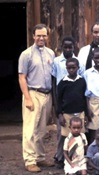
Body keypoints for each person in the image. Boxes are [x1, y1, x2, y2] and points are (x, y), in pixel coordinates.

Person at [18, 23, 55, 172]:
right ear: (33, 36)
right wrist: (27, 98)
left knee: (41, 130)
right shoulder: (26, 54)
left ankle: (40, 157)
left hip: (47, 94)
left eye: (44, 35)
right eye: (38, 35)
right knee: (30, 129)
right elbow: (22, 77)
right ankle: (29, 160)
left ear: (47, 36)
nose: (41, 38)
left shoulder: (51, 53)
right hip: (33, 93)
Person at [52, 36, 84, 168]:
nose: (68, 49)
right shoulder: (57, 61)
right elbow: (54, 82)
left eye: (70, 47)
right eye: (65, 47)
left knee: (78, 134)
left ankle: (77, 159)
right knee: (62, 134)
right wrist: (57, 108)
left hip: (76, 103)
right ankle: (60, 158)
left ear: (74, 47)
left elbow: (81, 85)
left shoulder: (78, 62)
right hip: (63, 102)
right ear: (61, 47)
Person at [56, 58, 89, 168]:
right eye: (69, 68)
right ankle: (62, 159)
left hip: (80, 113)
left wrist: (86, 115)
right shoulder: (62, 83)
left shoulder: (81, 81)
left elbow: (84, 98)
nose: (71, 70)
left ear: (78, 68)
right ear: (66, 68)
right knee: (66, 137)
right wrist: (60, 115)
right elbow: (58, 100)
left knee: (80, 137)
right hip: (67, 114)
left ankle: (80, 159)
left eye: (73, 68)